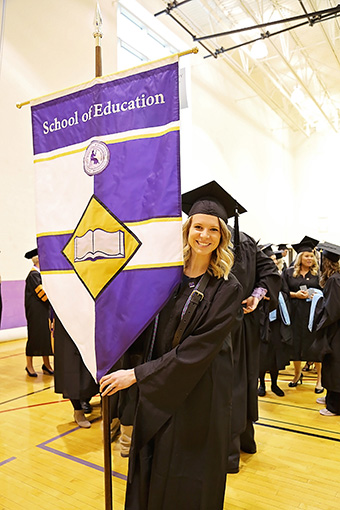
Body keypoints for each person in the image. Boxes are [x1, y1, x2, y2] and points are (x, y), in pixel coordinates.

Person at [100, 181, 244, 510]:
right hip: (159, 386)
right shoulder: (165, 274)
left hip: (199, 389)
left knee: (187, 468)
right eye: (198, 227)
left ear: (222, 236)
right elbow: (139, 321)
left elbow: (199, 349)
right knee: (156, 459)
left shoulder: (227, 287)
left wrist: (137, 374)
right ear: (187, 228)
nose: (204, 236)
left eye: (213, 229)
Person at [227, 235, 281, 473]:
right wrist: (258, 294)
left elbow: (269, 272)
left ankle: (228, 451)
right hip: (241, 328)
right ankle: (244, 441)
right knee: (241, 384)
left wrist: (257, 296)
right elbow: (270, 272)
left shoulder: (239, 242)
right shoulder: (245, 242)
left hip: (231, 328)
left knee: (228, 387)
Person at [282, 236, 323, 392]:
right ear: (300, 257)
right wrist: (295, 295)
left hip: (313, 315)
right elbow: (283, 292)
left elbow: (326, 291)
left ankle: (320, 379)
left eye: (311, 255)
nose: (310, 258)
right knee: (296, 345)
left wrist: (317, 295)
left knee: (315, 346)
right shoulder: (289, 273)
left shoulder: (318, 273)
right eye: (306, 255)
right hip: (295, 313)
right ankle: (297, 375)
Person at [310, 242, 340, 416]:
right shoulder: (336, 278)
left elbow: (333, 310)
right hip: (335, 328)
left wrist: (319, 319)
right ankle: (330, 397)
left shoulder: (335, 280)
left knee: (335, 365)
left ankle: (334, 406)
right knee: (332, 364)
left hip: (335, 330)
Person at [53, 314, 99, 427]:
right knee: (69, 364)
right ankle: (78, 410)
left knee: (92, 363)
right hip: (66, 318)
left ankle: (87, 398)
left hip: (88, 317)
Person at [258, 246, 292, 397]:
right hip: (262, 321)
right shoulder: (257, 278)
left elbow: (285, 293)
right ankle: (262, 385)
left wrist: (276, 297)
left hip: (276, 322)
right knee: (261, 356)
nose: (271, 263)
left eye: (273, 260)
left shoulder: (279, 277)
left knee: (275, 355)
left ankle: (274, 384)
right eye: (268, 260)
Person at [24, 248, 54, 377]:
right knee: (34, 338)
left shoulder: (40, 274)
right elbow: (42, 294)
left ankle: (46, 365)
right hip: (36, 312)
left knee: (45, 338)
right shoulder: (33, 275)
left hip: (43, 310)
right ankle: (29, 366)